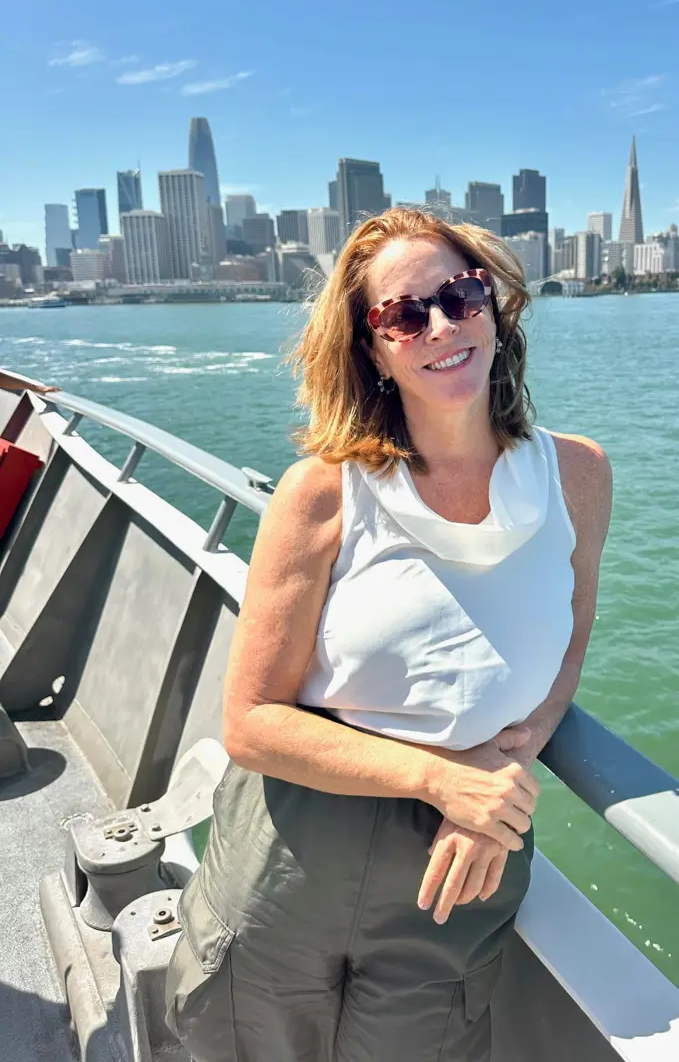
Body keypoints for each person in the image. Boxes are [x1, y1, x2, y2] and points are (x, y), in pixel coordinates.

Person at [165, 207, 612, 1062]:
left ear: (494, 307)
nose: (442, 326)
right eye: (405, 314)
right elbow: (251, 721)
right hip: (297, 842)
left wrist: (498, 782)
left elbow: (568, 647)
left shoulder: (579, 476)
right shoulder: (323, 492)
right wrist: (443, 780)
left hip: (461, 866)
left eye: (461, 296)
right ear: (374, 349)